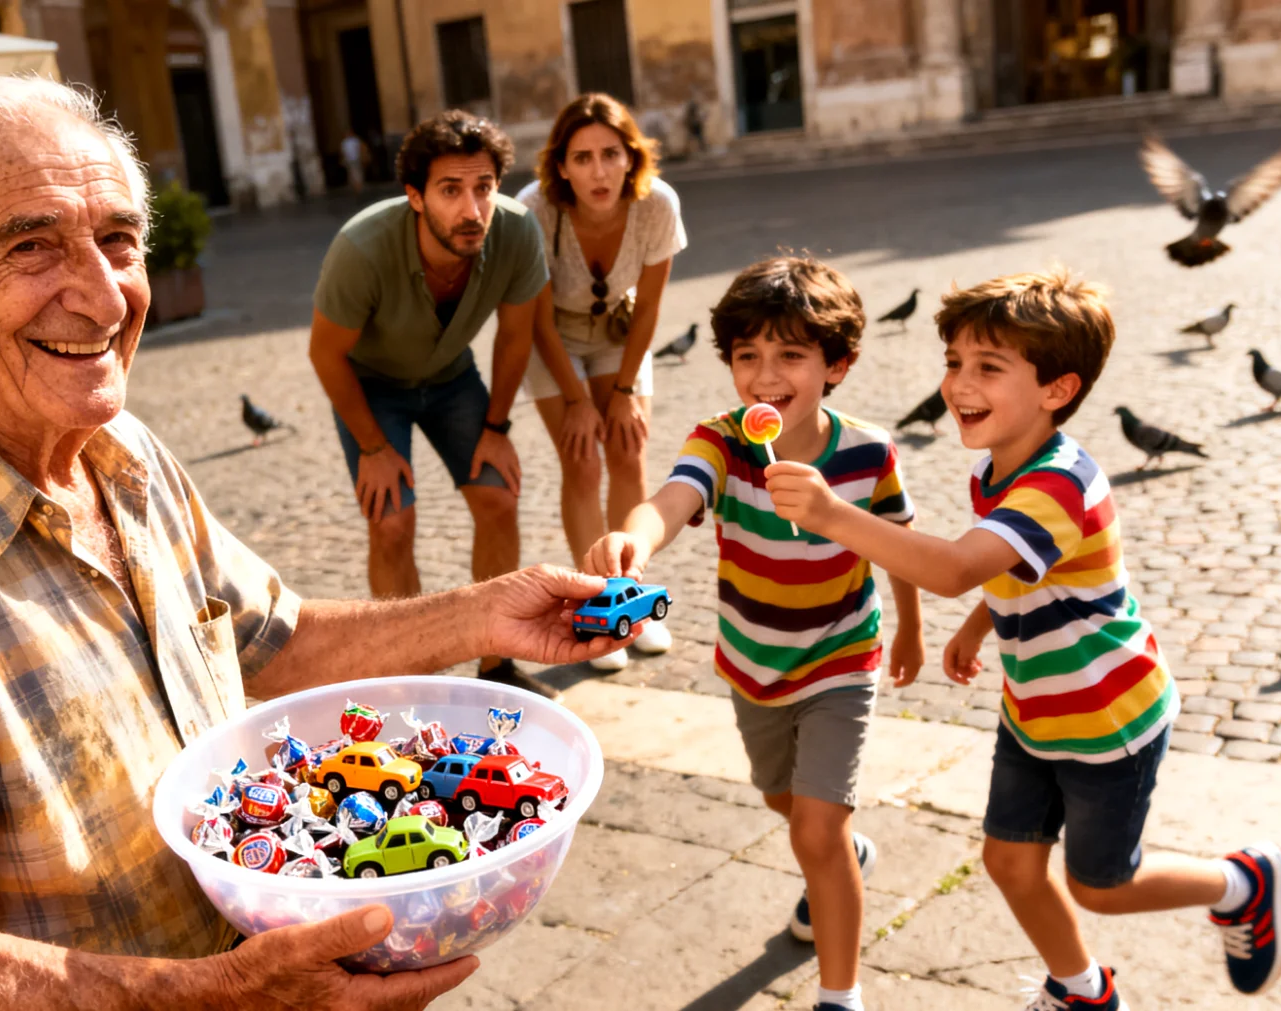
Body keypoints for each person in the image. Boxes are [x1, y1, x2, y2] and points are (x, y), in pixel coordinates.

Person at [0, 77, 631, 1011]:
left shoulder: (121, 452)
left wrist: (489, 610)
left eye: (119, 240)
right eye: (32, 246)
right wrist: (224, 995)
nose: (102, 296)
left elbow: (274, 641)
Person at [758, 269, 1281, 1008]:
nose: (957, 384)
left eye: (988, 368)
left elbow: (953, 566)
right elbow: (1019, 568)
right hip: (1036, 710)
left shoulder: (1058, 484)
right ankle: (1083, 990)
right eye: (953, 363)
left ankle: (1243, 882)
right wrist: (983, 622)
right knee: (1010, 863)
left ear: (1057, 389)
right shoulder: (994, 468)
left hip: (1109, 721)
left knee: (1102, 885)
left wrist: (831, 514)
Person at [584, 256, 926, 1011]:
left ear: (838, 364)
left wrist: (909, 627)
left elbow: (898, 539)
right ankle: (845, 849)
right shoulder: (722, 439)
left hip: (841, 658)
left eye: (790, 355)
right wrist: (634, 539)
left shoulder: (869, 453)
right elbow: (673, 497)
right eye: (748, 356)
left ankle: (841, 993)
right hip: (753, 665)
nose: (765, 375)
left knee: (814, 828)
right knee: (784, 801)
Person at [309, 110, 554, 698]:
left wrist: (497, 426)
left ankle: (497, 667)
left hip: (450, 377)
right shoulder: (361, 248)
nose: (472, 210)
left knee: (498, 496)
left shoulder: (517, 232)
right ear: (414, 196)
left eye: (484, 188)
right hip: (370, 386)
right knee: (392, 522)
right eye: (451, 191)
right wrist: (373, 447)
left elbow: (516, 336)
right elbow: (325, 355)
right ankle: (409, 679)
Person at [517, 92, 686, 672]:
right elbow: (535, 319)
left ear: (631, 157)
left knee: (628, 451)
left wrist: (617, 394)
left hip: (619, 331)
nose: (599, 171)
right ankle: (593, 603)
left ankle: (632, 601)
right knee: (581, 461)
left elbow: (649, 312)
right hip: (553, 339)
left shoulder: (657, 205)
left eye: (611, 154)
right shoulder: (533, 210)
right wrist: (575, 400)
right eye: (583, 157)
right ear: (561, 165)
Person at [341, 128, 368, 195]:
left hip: (355, 159)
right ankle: (357, 187)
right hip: (351, 160)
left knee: (356, 173)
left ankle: (358, 187)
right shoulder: (346, 142)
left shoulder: (354, 141)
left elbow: (361, 149)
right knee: (354, 173)